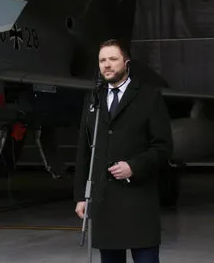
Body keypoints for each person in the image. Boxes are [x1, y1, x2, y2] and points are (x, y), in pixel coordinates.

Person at [74, 39, 173, 263]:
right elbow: (84, 152)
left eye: (112, 59)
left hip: (138, 202)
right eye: (102, 60)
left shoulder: (149, 96)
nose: (107, 65)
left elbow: (164, 147)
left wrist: (134, 166)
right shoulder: (93, 99)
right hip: (105, 204)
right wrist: (81, 196)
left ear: (126, 63)